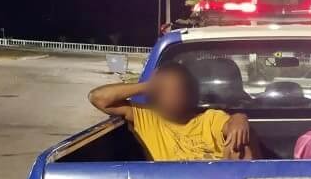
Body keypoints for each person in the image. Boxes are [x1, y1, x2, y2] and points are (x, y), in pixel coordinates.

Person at [88, 62, 258, 161]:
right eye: (164, 90)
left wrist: (238, 118)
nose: (171, 97)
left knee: (240, 146)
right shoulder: (146, 117)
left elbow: (230, 126)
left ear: (189, 94)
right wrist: (149, 85)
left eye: (177, 90)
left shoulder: (210, 119)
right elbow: (98, 98)